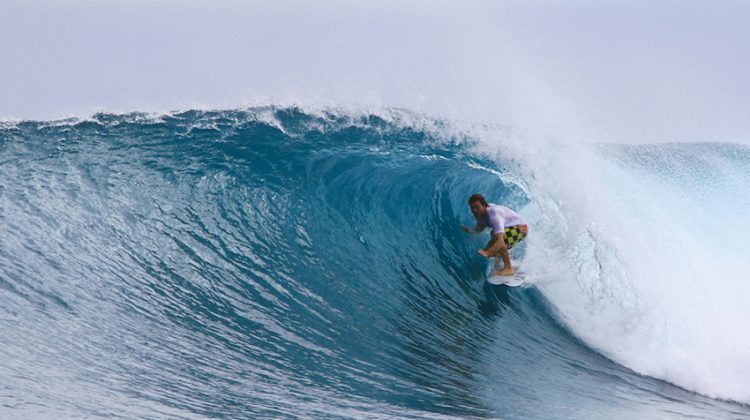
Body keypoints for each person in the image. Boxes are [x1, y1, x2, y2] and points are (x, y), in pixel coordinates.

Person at [462, 194, 528, 276]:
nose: (475, 210)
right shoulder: (481, 214)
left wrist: (488, 252)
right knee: (492, 247)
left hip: (521, 229)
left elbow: (500, 241)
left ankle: (508, 268)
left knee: (495, 236)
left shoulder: (494, 216)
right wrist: (470, 230)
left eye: (477, 207)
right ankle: (503, 261)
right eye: (472, 208)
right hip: (511, 229)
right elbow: (480, 228)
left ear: (484, 205)